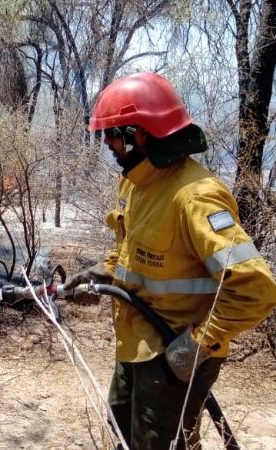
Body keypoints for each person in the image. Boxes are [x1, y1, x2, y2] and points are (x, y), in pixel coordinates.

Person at [63, 72, 276, 450]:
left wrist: (196, 345)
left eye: (113, 132)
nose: (108, 143)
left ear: (140, 132)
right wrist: (103, 272)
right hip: (138, 343)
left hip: (174, 353)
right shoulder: (135, 182)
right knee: (122, 426)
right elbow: (131, 249)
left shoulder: (195, 196)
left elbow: (256, 288)